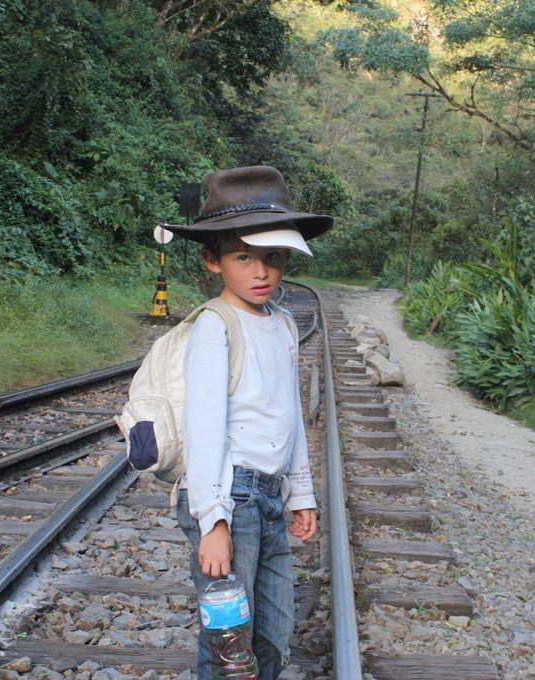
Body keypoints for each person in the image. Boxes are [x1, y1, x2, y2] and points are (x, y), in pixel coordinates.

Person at [162, 165, 333, 678]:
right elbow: (204, 427)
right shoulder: (215, 326)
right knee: (230, 640)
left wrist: (300, 492)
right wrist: (213, 521)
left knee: (274, 630)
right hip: (229, 497)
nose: (260, 272)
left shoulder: (281, 324)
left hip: (269, 495)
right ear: (212, 260)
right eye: (243, 257)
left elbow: (291, 416)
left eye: (273, 258)